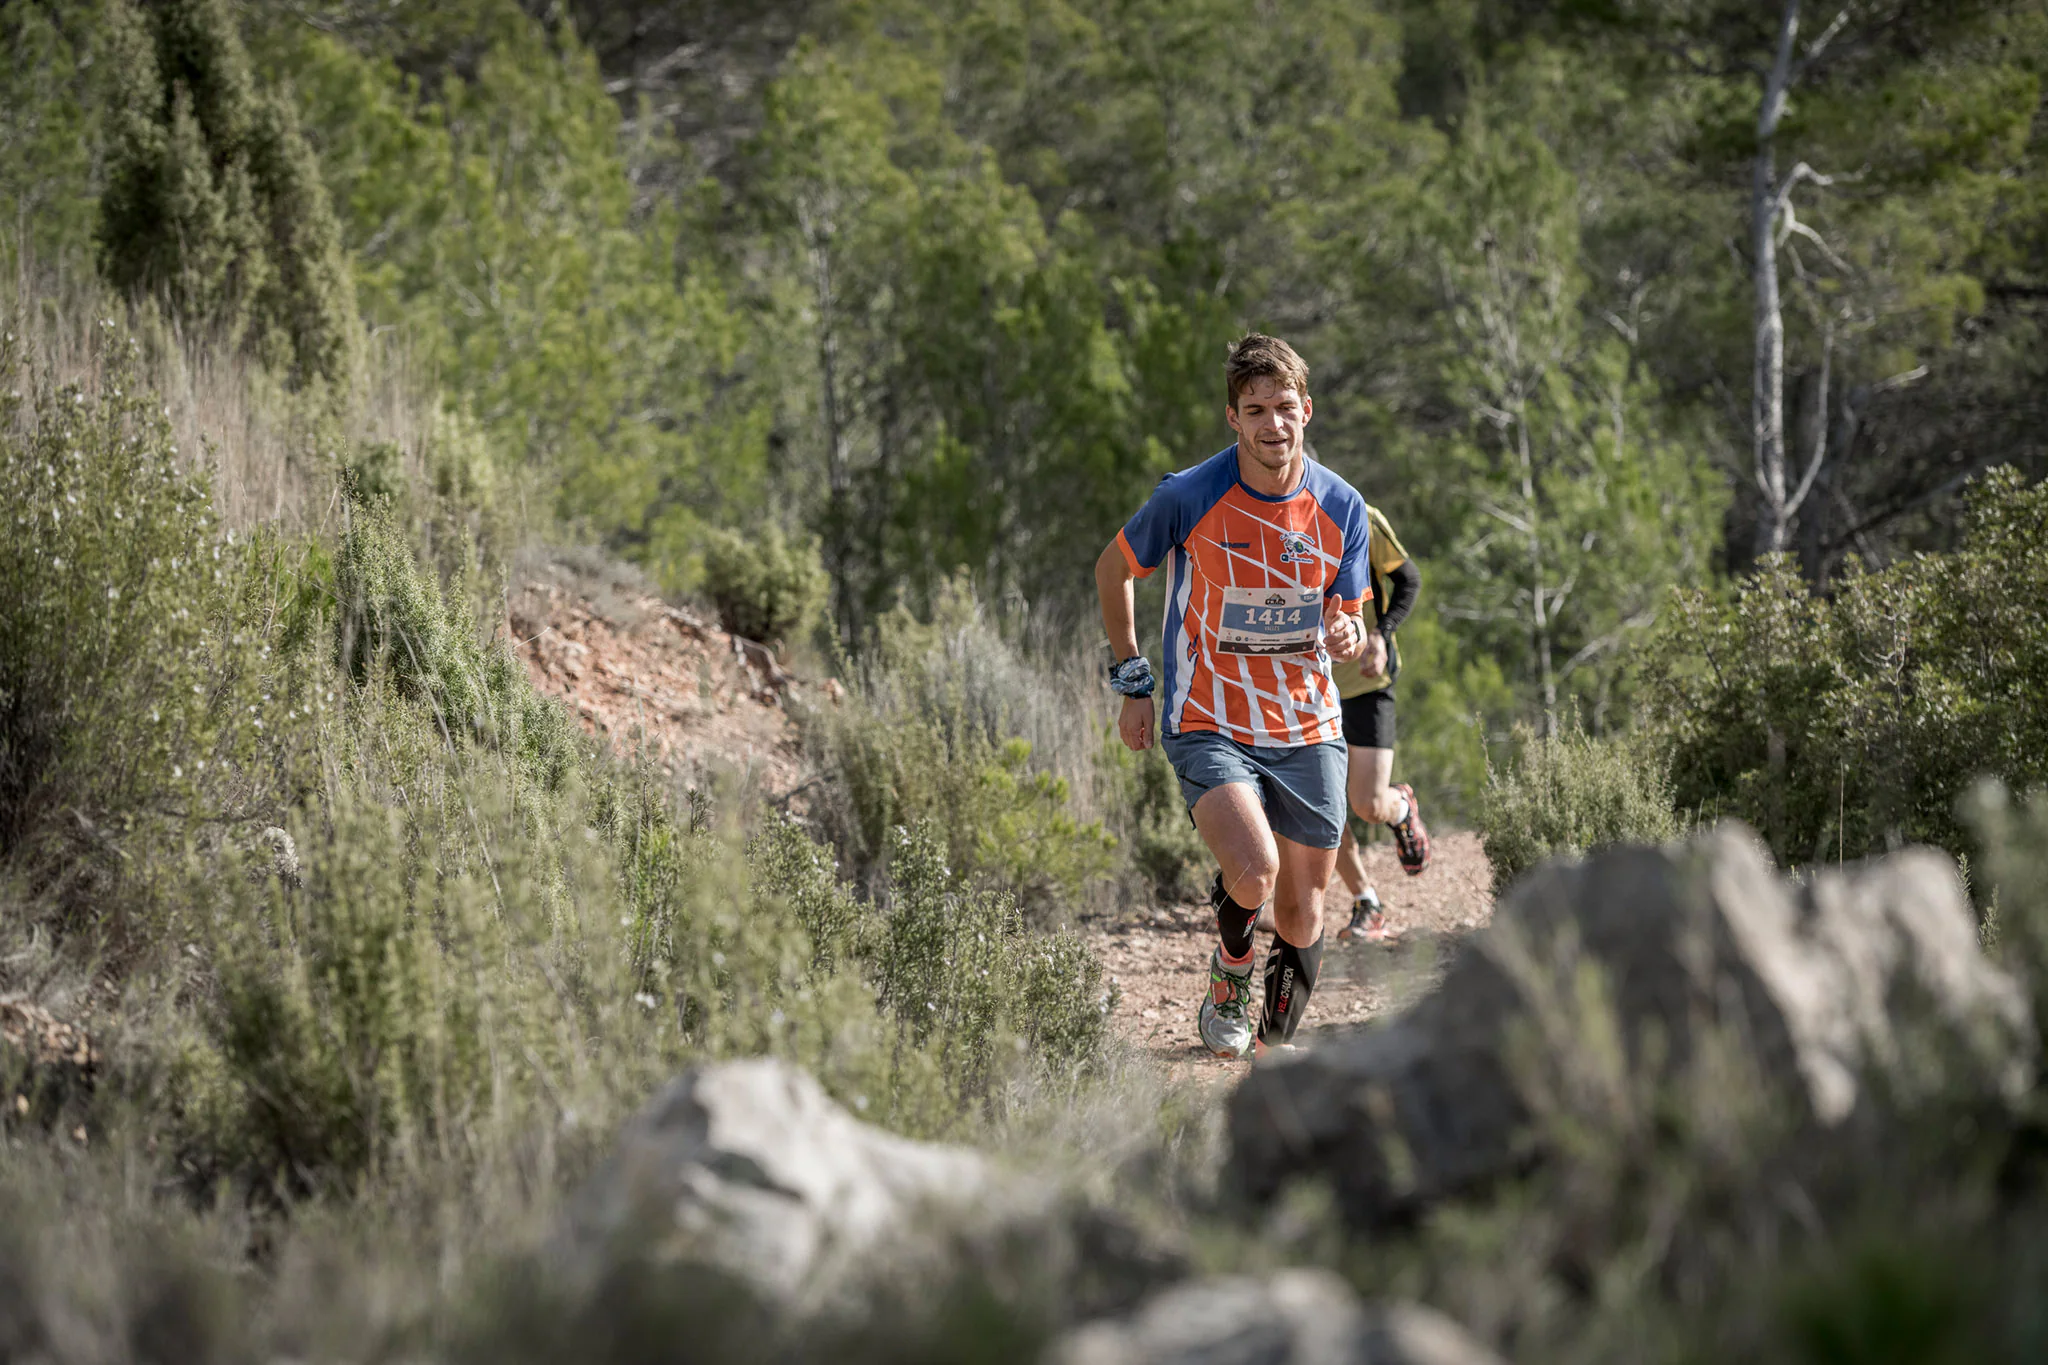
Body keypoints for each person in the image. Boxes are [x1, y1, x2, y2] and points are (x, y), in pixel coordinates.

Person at [1096, 333, 1372, 1059]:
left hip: (1307, 722)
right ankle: (1230, 974)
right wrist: (1132, 680)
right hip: (1207, 717)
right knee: (1254, 868)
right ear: (1232, 417)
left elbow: (1349, 613)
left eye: (1284, 407)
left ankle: (1273, 1060)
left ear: (1306, 410)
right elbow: (1113, 569)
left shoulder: (1343, 506)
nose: (1271, 424)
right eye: (1255, 409)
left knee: (1305, 907)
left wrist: (1347, 634)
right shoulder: (1189, 495)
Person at [1327, 503, 1430, 943]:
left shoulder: (1357, 514)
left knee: (1367, 805)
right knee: (1322, 807)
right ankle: (1367, 902)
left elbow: (1408, 579)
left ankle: (1401, 807)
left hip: (1369, 679)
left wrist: (1380, 634)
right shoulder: (1262, 520)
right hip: (1308, 690)